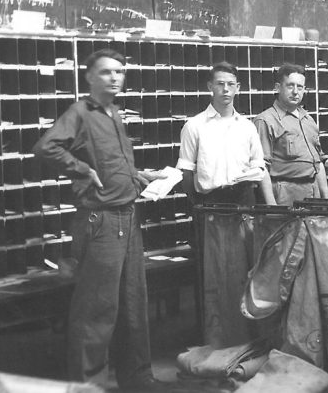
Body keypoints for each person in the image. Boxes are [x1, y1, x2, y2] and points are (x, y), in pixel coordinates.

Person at [34, 49, 165, 391]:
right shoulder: (80, 112)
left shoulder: (114, 113)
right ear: (90, 76)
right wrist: (82, 170)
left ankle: (137, 378)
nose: (115, 77)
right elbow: (47, 147)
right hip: (101, 220)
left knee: (133, 303)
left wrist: (139, 175)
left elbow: (112, 163)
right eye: (107, 72)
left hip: (128, 215)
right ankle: (87, 384)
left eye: (120, 71)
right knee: (96, 310)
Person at [176, 62, 276, 347]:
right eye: (220, 84)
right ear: (210, 87)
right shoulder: (194, 125)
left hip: (243, 202)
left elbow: (259, 166)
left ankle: (247, 338)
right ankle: (216, 341)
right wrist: (200, 205)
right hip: (210, 205)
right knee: (213, 276)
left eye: (231, 84)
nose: (225, 89)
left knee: (246, 272)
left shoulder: (246, 127)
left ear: (238, 88)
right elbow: (187, 174)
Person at [254, 63, 328, 205]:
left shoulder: (308, 120)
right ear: (277, 88)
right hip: (284, 195)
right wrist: (272, 207)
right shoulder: (265, 120)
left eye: (300, 87)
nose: (295, 92)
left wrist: (327, 201)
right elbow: (262, 168)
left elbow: (318, 164)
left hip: (313, 194)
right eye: (290, 86)